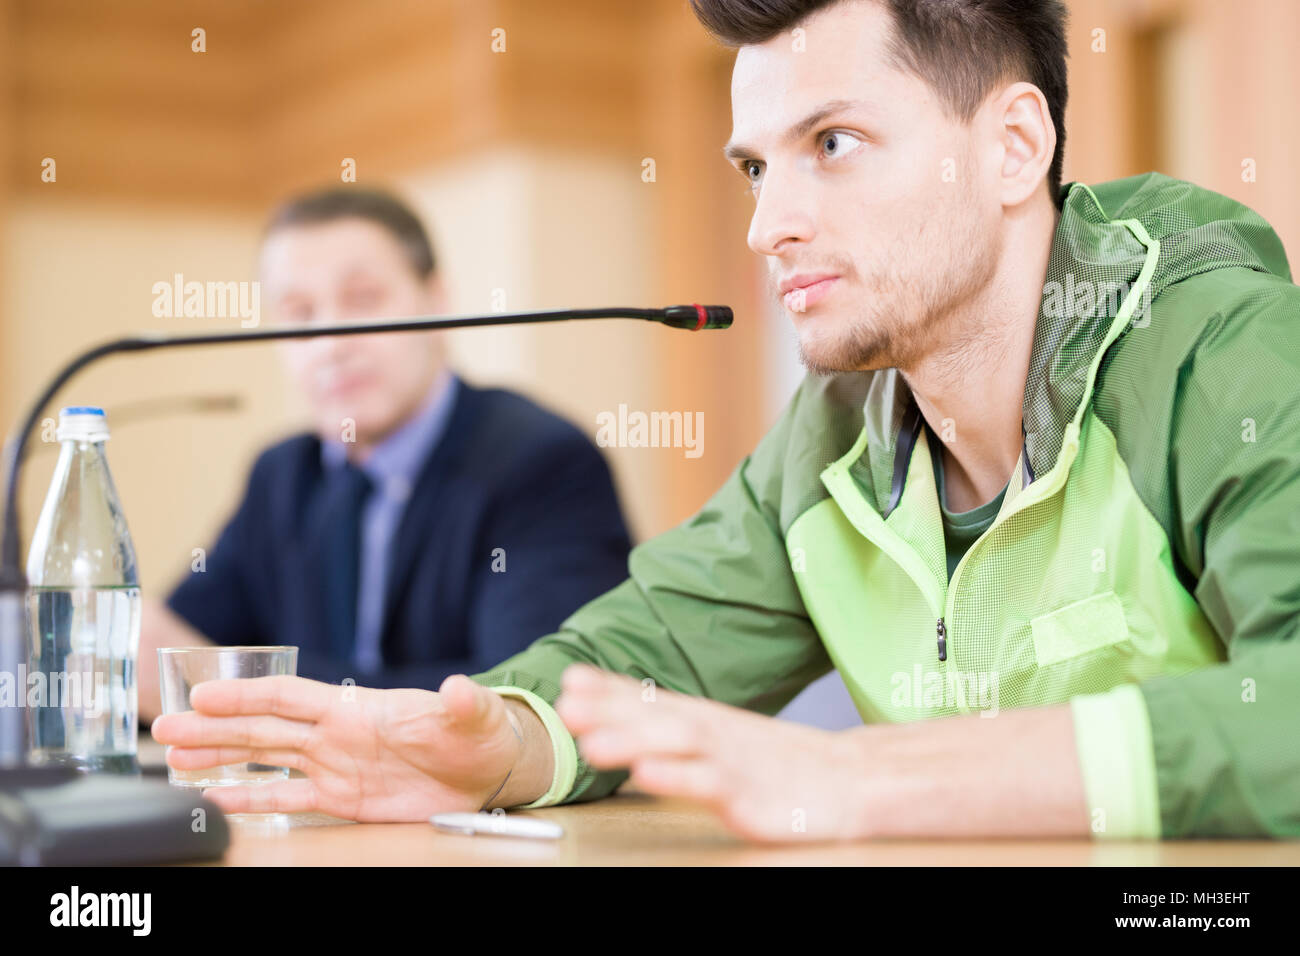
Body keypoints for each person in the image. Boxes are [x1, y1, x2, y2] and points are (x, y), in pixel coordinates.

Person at [152, 0, 1300, 842]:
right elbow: (639, 653)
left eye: (832, 145)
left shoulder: (1223, 351)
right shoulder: (835, 430)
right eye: (757, 167)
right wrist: (496, 740)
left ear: (1014, 146)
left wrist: (868, 778)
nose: (767, 226)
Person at [137, 188, 633, 722]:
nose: (329, 341)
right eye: (299, 313)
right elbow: (176, 645)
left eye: (364, 299)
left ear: (437, 302)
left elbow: (529, 696)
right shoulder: (281, 475)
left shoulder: (542, 460)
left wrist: (234, 687)